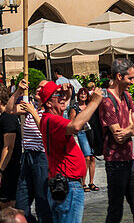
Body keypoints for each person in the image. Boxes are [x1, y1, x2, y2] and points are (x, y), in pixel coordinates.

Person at [22, 80, 103, 223]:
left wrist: (67, 93)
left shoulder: (49, 119)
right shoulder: (52, 120)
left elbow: (64, 104)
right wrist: (95, 102)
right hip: (69, 184)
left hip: (64, 183)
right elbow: (76, 125)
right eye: (57, 95)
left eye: (62, 95)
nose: (62, 98)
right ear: (48, 103)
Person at [98, 56, 134, 222]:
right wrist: (131, 129)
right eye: (130, 78)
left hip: (130, 160)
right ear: (119, 76)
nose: (133, 82)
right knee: (115, 210)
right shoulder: (107, 101)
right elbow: (118, 136)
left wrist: (129, 130)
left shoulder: (127, 97)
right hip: (115, 162)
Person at [8, 78, 53, 223]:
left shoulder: (50, 111)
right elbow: (9, 109)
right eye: (38, 87)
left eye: (42, 88)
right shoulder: (31, 106)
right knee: (21, 204)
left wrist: (33, 112)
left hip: (42, 157)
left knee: (42, 201)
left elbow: (46, 131)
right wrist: (18, 92)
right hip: (27, 156)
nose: (38, 89)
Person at [0, 83, 22, 213]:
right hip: (4, 169)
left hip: (9, 170)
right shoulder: (1, 117)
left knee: (8, 211)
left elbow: (9, 147)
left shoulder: (9, 118)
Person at [71, 85, 98, 191]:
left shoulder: (89, 106)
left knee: (93, 157)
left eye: (85, 94)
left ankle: (91, 182)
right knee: (86, 157)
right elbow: (72, 122)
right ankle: (83, 182)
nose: (83, 95)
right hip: (82, 132)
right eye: (81, 94)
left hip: (91, 132)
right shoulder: (75, 107)